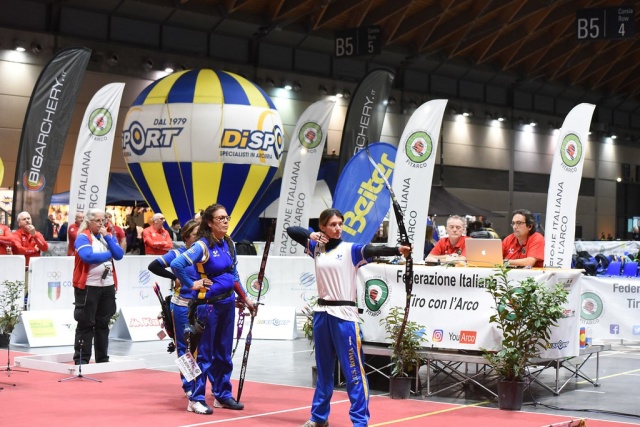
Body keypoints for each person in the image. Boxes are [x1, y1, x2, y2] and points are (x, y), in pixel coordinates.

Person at [287, 208, 411, 427]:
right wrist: (311, 235)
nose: (338, 228)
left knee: (354, 372)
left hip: (344, 316)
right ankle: (319, 417)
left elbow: (372, 249)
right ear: (323, 227)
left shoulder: (350, 250)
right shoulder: (317, 248)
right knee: (324, 370)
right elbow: (291, 230)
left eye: (340, 224)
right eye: (333, 224)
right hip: (322, 314)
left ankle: (359, 421)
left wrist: (397, 249)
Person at [170, 204, 255, 415]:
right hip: (208, 308)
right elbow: (178, 264)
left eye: (227, 217)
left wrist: (246, 298)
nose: (225, 221)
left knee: (224, 354)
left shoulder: (229, 243)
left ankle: (222, 395)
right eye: (221, 218)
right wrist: (192, 284)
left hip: (228, 304)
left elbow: (233, 275)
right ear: (209, 222)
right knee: (204, 356)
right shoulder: (202, 246)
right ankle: (196, 399)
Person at [147, 219, 202, 397]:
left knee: (203, 347)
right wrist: (174, 276)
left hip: (202, 305)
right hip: (182, 306)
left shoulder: (203, 253)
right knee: (184, 346)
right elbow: (153, 265)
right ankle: (188, 386)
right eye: (195, 235)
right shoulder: (178, 253)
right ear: (186, 237)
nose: (199, 238)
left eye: (201, 235)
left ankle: (201, 383)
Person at [72, 208, 125, 364]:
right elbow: (88, 257)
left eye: (104, 220)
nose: (101, 224)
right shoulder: (83, 237)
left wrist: (108, 238)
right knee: (86, 323)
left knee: (103, 323)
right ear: (89, 221)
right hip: (88, 285)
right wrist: (109, 254)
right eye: (98, 221)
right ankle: (81, 359)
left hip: (107, 285)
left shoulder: (106, 236)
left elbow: (120, 255)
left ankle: (102, 359)